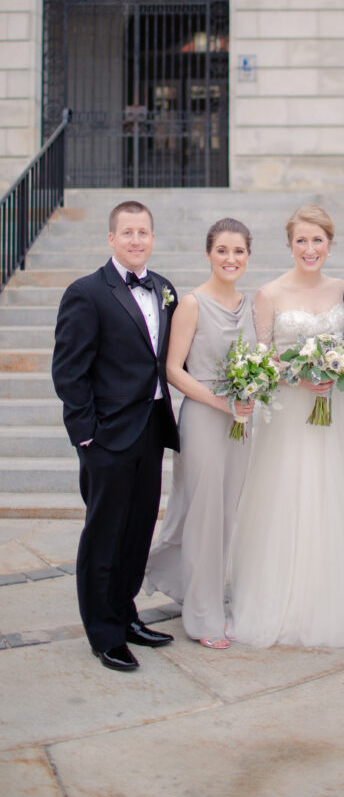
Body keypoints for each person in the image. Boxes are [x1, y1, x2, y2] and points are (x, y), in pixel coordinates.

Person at [226, 204, 344, 648]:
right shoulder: (269, 294)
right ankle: (281, 601)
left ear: (330, 243)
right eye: (301, 241)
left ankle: (336, 602)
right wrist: (295, 375)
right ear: (289, 245)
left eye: (318, 240)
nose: (310, 249)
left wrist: (338, 369)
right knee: (286, 499)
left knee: (336, 497)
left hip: (334, 412)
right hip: (289, 415)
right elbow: (262, 362)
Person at [51, 200, 179, 672]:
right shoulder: (86, 292)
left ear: (152, 237)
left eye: (143, 232)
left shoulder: (164, 288)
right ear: (111, 239)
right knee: (103, 536)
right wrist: (87, 435)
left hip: (149, 430)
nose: (136, 240)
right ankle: (103, 633)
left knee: (137, 530)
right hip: (106, 437)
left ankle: (126, 615)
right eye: (127, 233)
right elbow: (69, 371)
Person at [144, 218, 256, 648]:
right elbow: (172, 369)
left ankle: (207, 596)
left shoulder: (252, 304)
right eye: (223, 250)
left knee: (227, 513)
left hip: (242, 420)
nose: (231, 259)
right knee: (203, 514)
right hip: (205, 418)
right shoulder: (191, 303)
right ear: (209, 253)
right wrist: (219, 402)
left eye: (239, 251)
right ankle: (202, 617)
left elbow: (263, 360)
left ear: (248, 256)